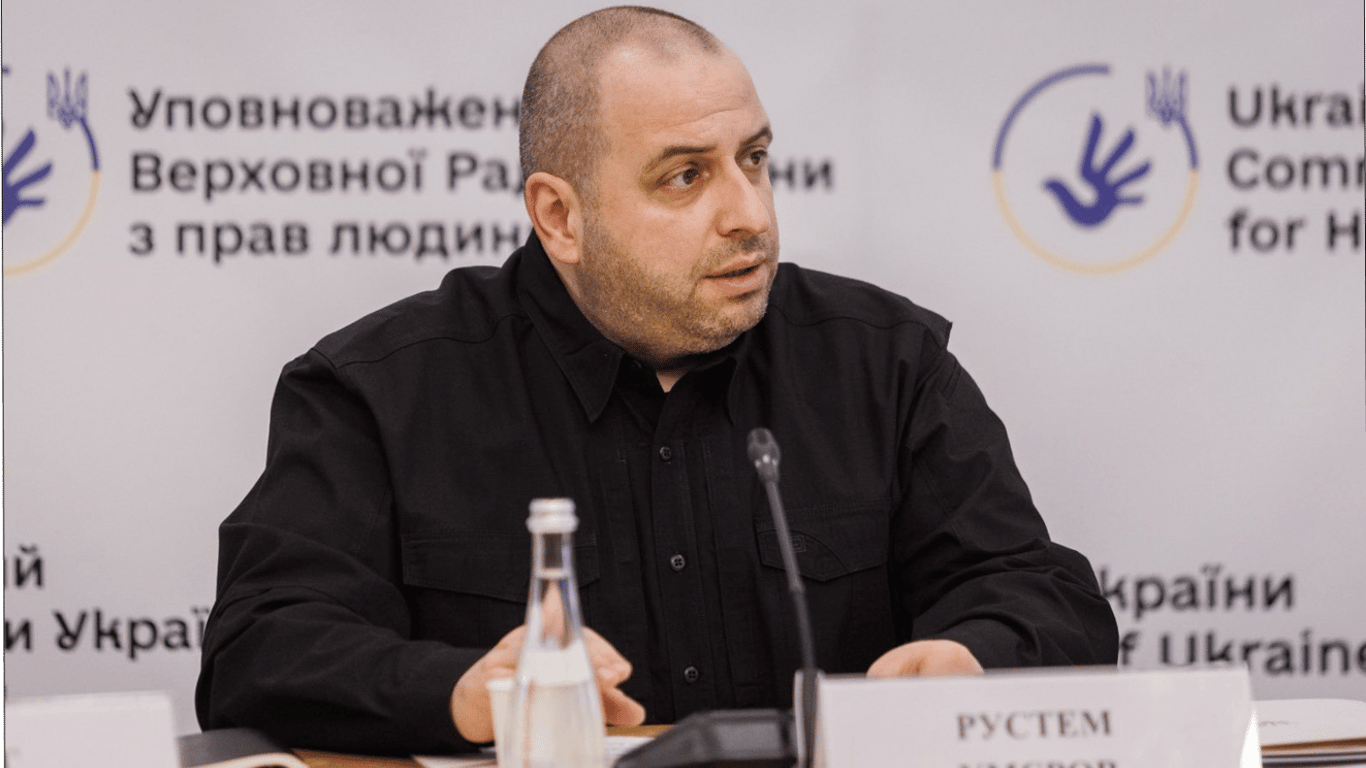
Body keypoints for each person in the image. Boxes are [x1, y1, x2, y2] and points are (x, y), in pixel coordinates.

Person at [196, 5, 1118, 755]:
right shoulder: (380, 393)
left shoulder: (885, 362)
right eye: (685, 177)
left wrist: (970, 657)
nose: (750, 216)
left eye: (754, 159)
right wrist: (462, 692)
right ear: (561, 216)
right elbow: (261, 644)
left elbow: (1043, 593)